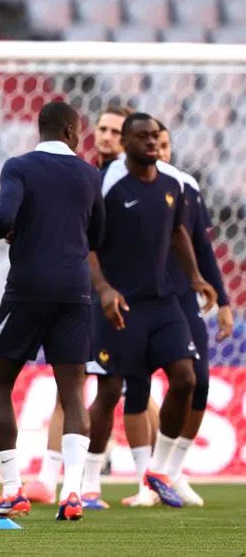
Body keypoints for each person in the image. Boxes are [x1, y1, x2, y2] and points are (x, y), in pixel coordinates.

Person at [82, 113, 218, 510]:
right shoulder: (105, 183)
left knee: (186, 378)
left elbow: (179, 232)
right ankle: (89, 484)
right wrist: (104, 289)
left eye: (156, 137)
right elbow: (87, 243)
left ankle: (158, 470)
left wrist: (195, 277)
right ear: (125, 142)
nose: (152, 143)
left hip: (161, 302)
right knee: (108, 391)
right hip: (117, 303)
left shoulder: (173, 183)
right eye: (142, 137)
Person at [0, 101, 101, 522]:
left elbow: (4, 214)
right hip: (76, 292)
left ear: (43, 128)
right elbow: (96, 233)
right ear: (71, 130)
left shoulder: (19, 167)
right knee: (73, 393)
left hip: (29, 289)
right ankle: (72, 494)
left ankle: (13, 490)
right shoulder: (90, 174)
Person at [110, 122, 234, 508]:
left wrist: (222, 298)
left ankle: (172, 471)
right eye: (153, 143)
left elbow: (197, 243)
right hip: (138, 296)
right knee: (137, 385)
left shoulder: (182, 185)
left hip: (179, 297)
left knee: (196, 380)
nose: (159, 150)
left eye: (164, 144)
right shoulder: (117, 182)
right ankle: (146, 482)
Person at [25, 103, 132, 506]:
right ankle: (52, 477)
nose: (106, 136)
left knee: (117, 387)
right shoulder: (86, 175)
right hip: (84, 292)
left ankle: (119, 475)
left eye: (115, 132)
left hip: (122, 296)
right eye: (102, 128)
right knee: (70, 384)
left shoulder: (128, 183)